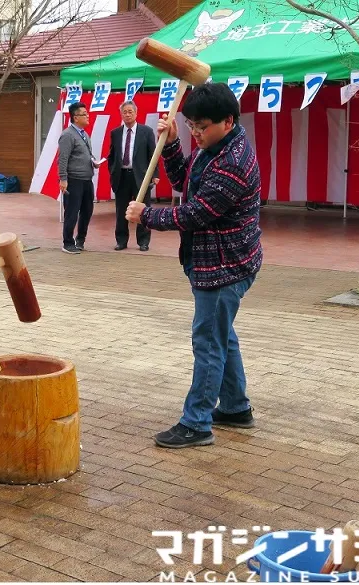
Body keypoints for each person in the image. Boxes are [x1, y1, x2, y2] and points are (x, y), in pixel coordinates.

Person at [126, 83, 263, 449]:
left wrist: (148, 215)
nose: (196, 134)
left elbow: (197, 212)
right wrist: (171, 143)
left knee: (208, 342)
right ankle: (235, 408)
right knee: (221, 335)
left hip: (225, 267)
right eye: (191, 126)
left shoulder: (233, 162)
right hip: (213, 262)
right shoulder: (214, 148)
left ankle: (197, 422)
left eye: (201, 126)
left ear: (227, 121)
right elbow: (186, 181)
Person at [107, 100, 159, 252]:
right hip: (121, 176)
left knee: (142, 209)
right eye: (125, 112)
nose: (128, 114)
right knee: (121, 210)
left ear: (136, 113)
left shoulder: (146, 132)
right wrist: (112, 171)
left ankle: (143, 241)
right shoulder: (115, 133)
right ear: (121, 114)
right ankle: (121, 241)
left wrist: (154, 175)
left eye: (130, 111)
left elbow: (153, 155)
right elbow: (112, 155)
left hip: (141, 178)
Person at [58, 101, 100, 254]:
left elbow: (85, 154)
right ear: (75, 118)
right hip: (74, 179)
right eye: (84, 114)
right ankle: (67, 242)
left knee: (87, 210)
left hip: (86, 179)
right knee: (72, 212)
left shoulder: (83, 134)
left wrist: (93, 161)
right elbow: (63, 158)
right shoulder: (67, 135)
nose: (87, 116)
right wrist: (63, 179)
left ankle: (80, 239)